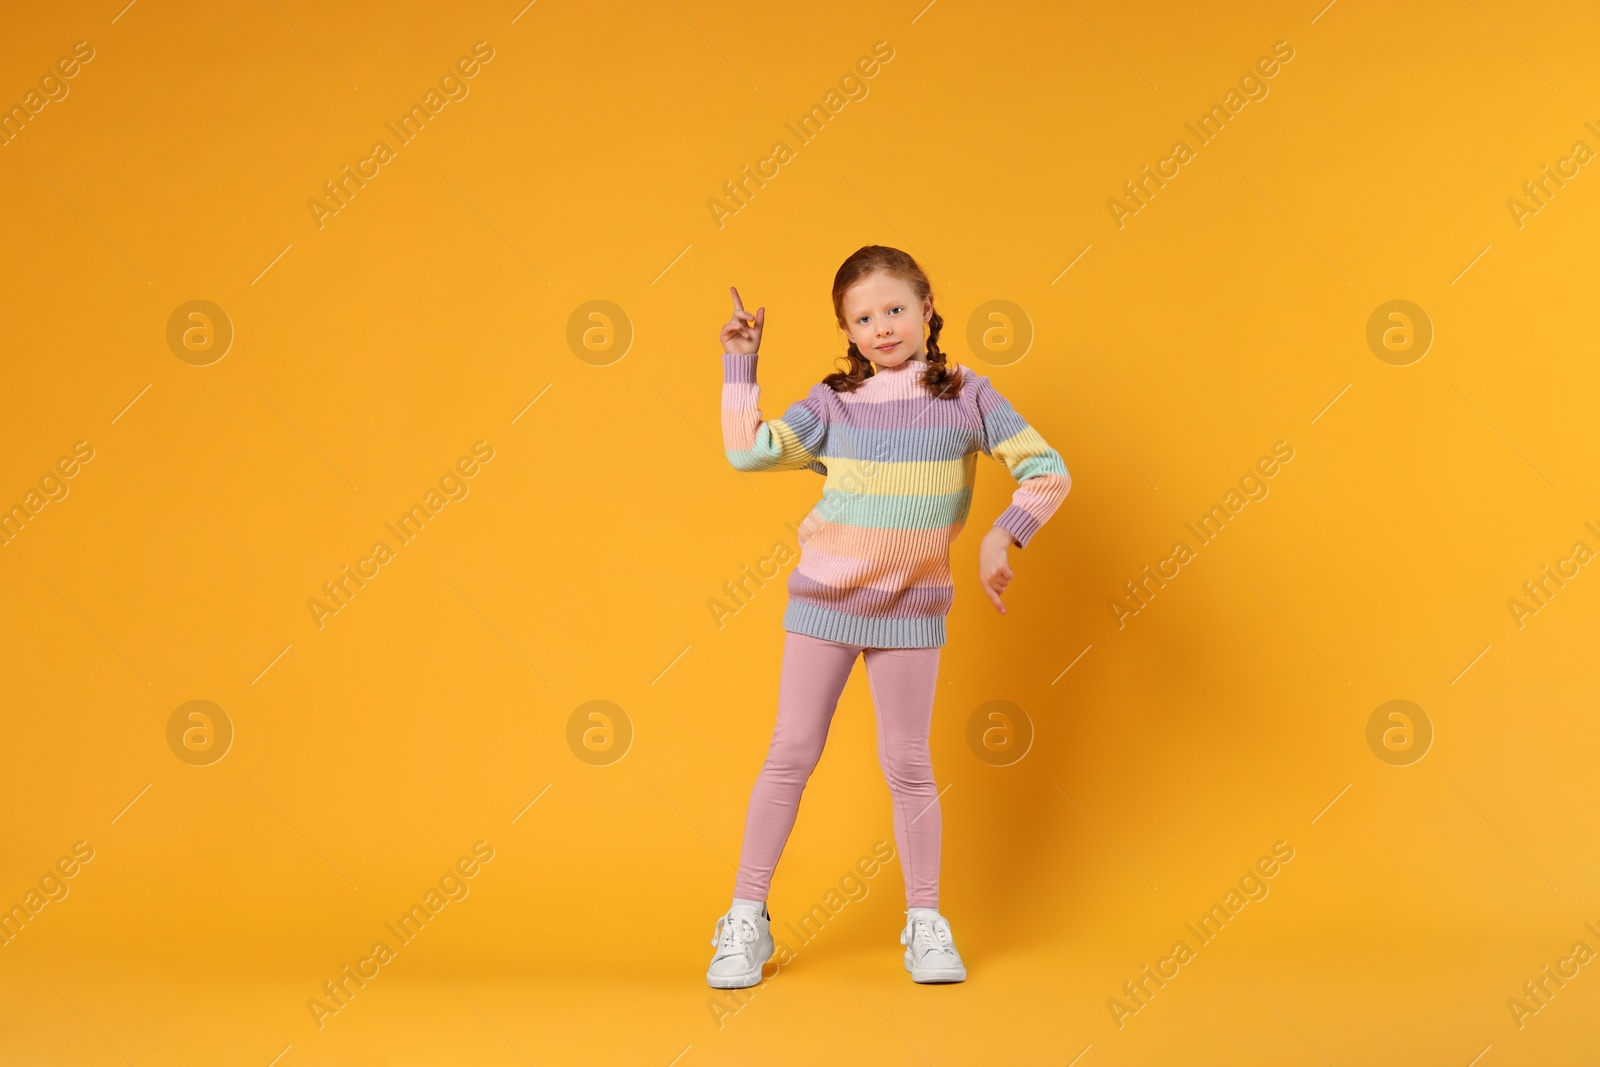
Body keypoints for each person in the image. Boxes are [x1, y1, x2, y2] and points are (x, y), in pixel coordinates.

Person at [706, 245, 1072, 988]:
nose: (882, 327)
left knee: (907, 762)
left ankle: (926, 921)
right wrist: (740, 366)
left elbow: (1047, 468)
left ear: (928, 307)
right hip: (825, 601)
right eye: (863, 317)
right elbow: (749, 455)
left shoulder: (968, 394)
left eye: (895, 309)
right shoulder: (834, 403)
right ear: (846, 328)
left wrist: (1005, 532)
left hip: (912, 605)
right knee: (792, 751)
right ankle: (745, 916)